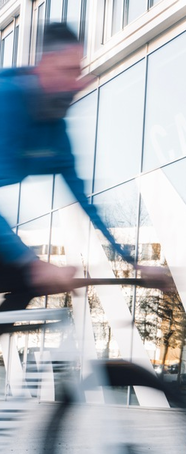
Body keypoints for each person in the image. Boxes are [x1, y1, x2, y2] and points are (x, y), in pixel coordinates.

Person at [0, 23, 149, 308]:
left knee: (28, 279)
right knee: (28, 270)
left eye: (77, 72)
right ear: (44, 66)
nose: (76, 83)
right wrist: (32, 264)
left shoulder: (55, 131)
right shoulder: (7, 100)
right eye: (68, 71)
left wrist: (135, 263)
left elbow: (86, 203)